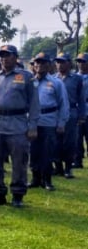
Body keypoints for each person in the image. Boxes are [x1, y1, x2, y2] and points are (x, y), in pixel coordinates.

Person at [0, 45, 40, 208]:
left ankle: (18, 194)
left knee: (19, 161)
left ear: (15, 58)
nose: (4, 59)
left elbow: (34, 103)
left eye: (7, 55)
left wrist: (33, 125)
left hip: (17, 124)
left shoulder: (26, 77)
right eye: (1, 56)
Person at [28, 52, 68, 191]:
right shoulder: (30, 82)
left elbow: (63, 103)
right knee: (33, 152)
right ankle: (35, 178)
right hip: (32, 123)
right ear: (33, 65)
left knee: (47, 152)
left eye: (43, 63)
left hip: (49, 122)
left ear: (48, 65)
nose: (39, 65)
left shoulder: (56, 82)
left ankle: (47, 180)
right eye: (37, 63)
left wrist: (61, 123)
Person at [53, 52, 85, 178]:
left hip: (71, 113)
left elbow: (81, 99)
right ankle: (58, 167)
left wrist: (82, 116)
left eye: (62, 62)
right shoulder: (53, 78)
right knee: (55, 141)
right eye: (58, 62)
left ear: (69, 63)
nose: (59, 65)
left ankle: (68, 168)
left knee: (69, 142)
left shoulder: (77, 79)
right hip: (55, 113)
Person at [75, 53, 88, 168]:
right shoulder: (75, 77)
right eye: (79, 61)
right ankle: (78, 161)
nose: (81, 64)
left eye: (83, 61)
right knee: (77, 138)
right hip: (78, 111)